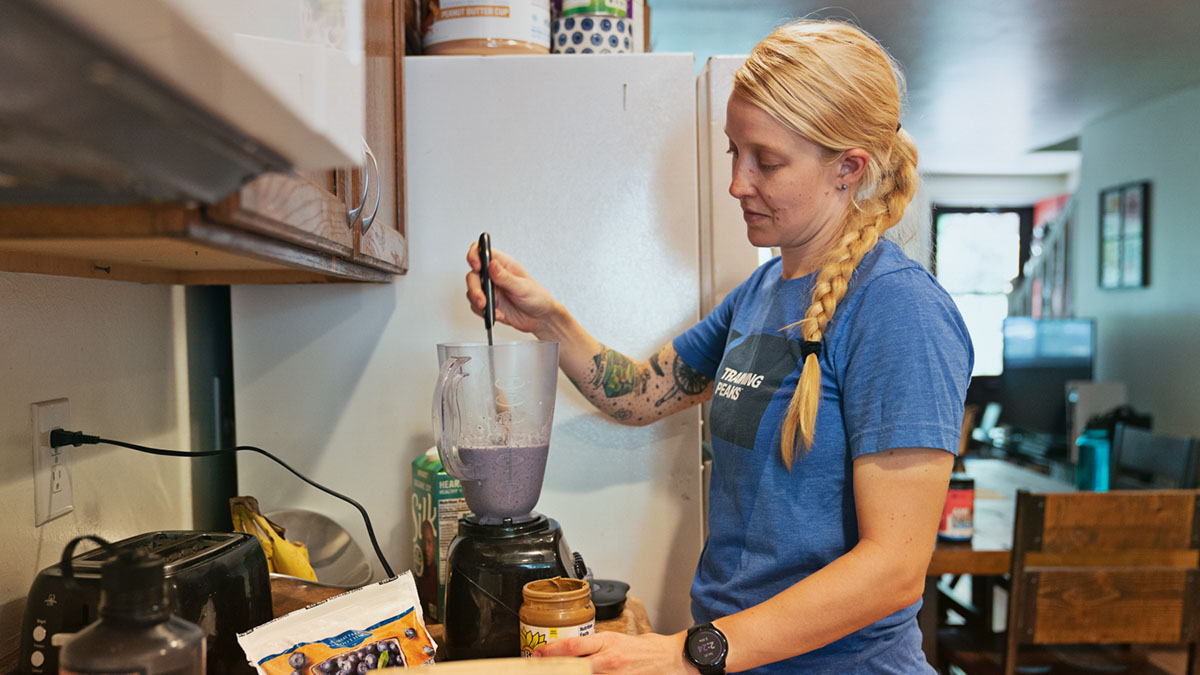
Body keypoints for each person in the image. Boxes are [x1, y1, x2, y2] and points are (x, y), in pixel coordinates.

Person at [464, 19, 972, 675]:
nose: (737, 182)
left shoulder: (898, 308)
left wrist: (690, 650)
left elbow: (894, 569)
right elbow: (643, 394)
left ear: (849, 167)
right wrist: (549, 320)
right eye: (734, 152)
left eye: (767, 160)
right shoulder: (760, 293)